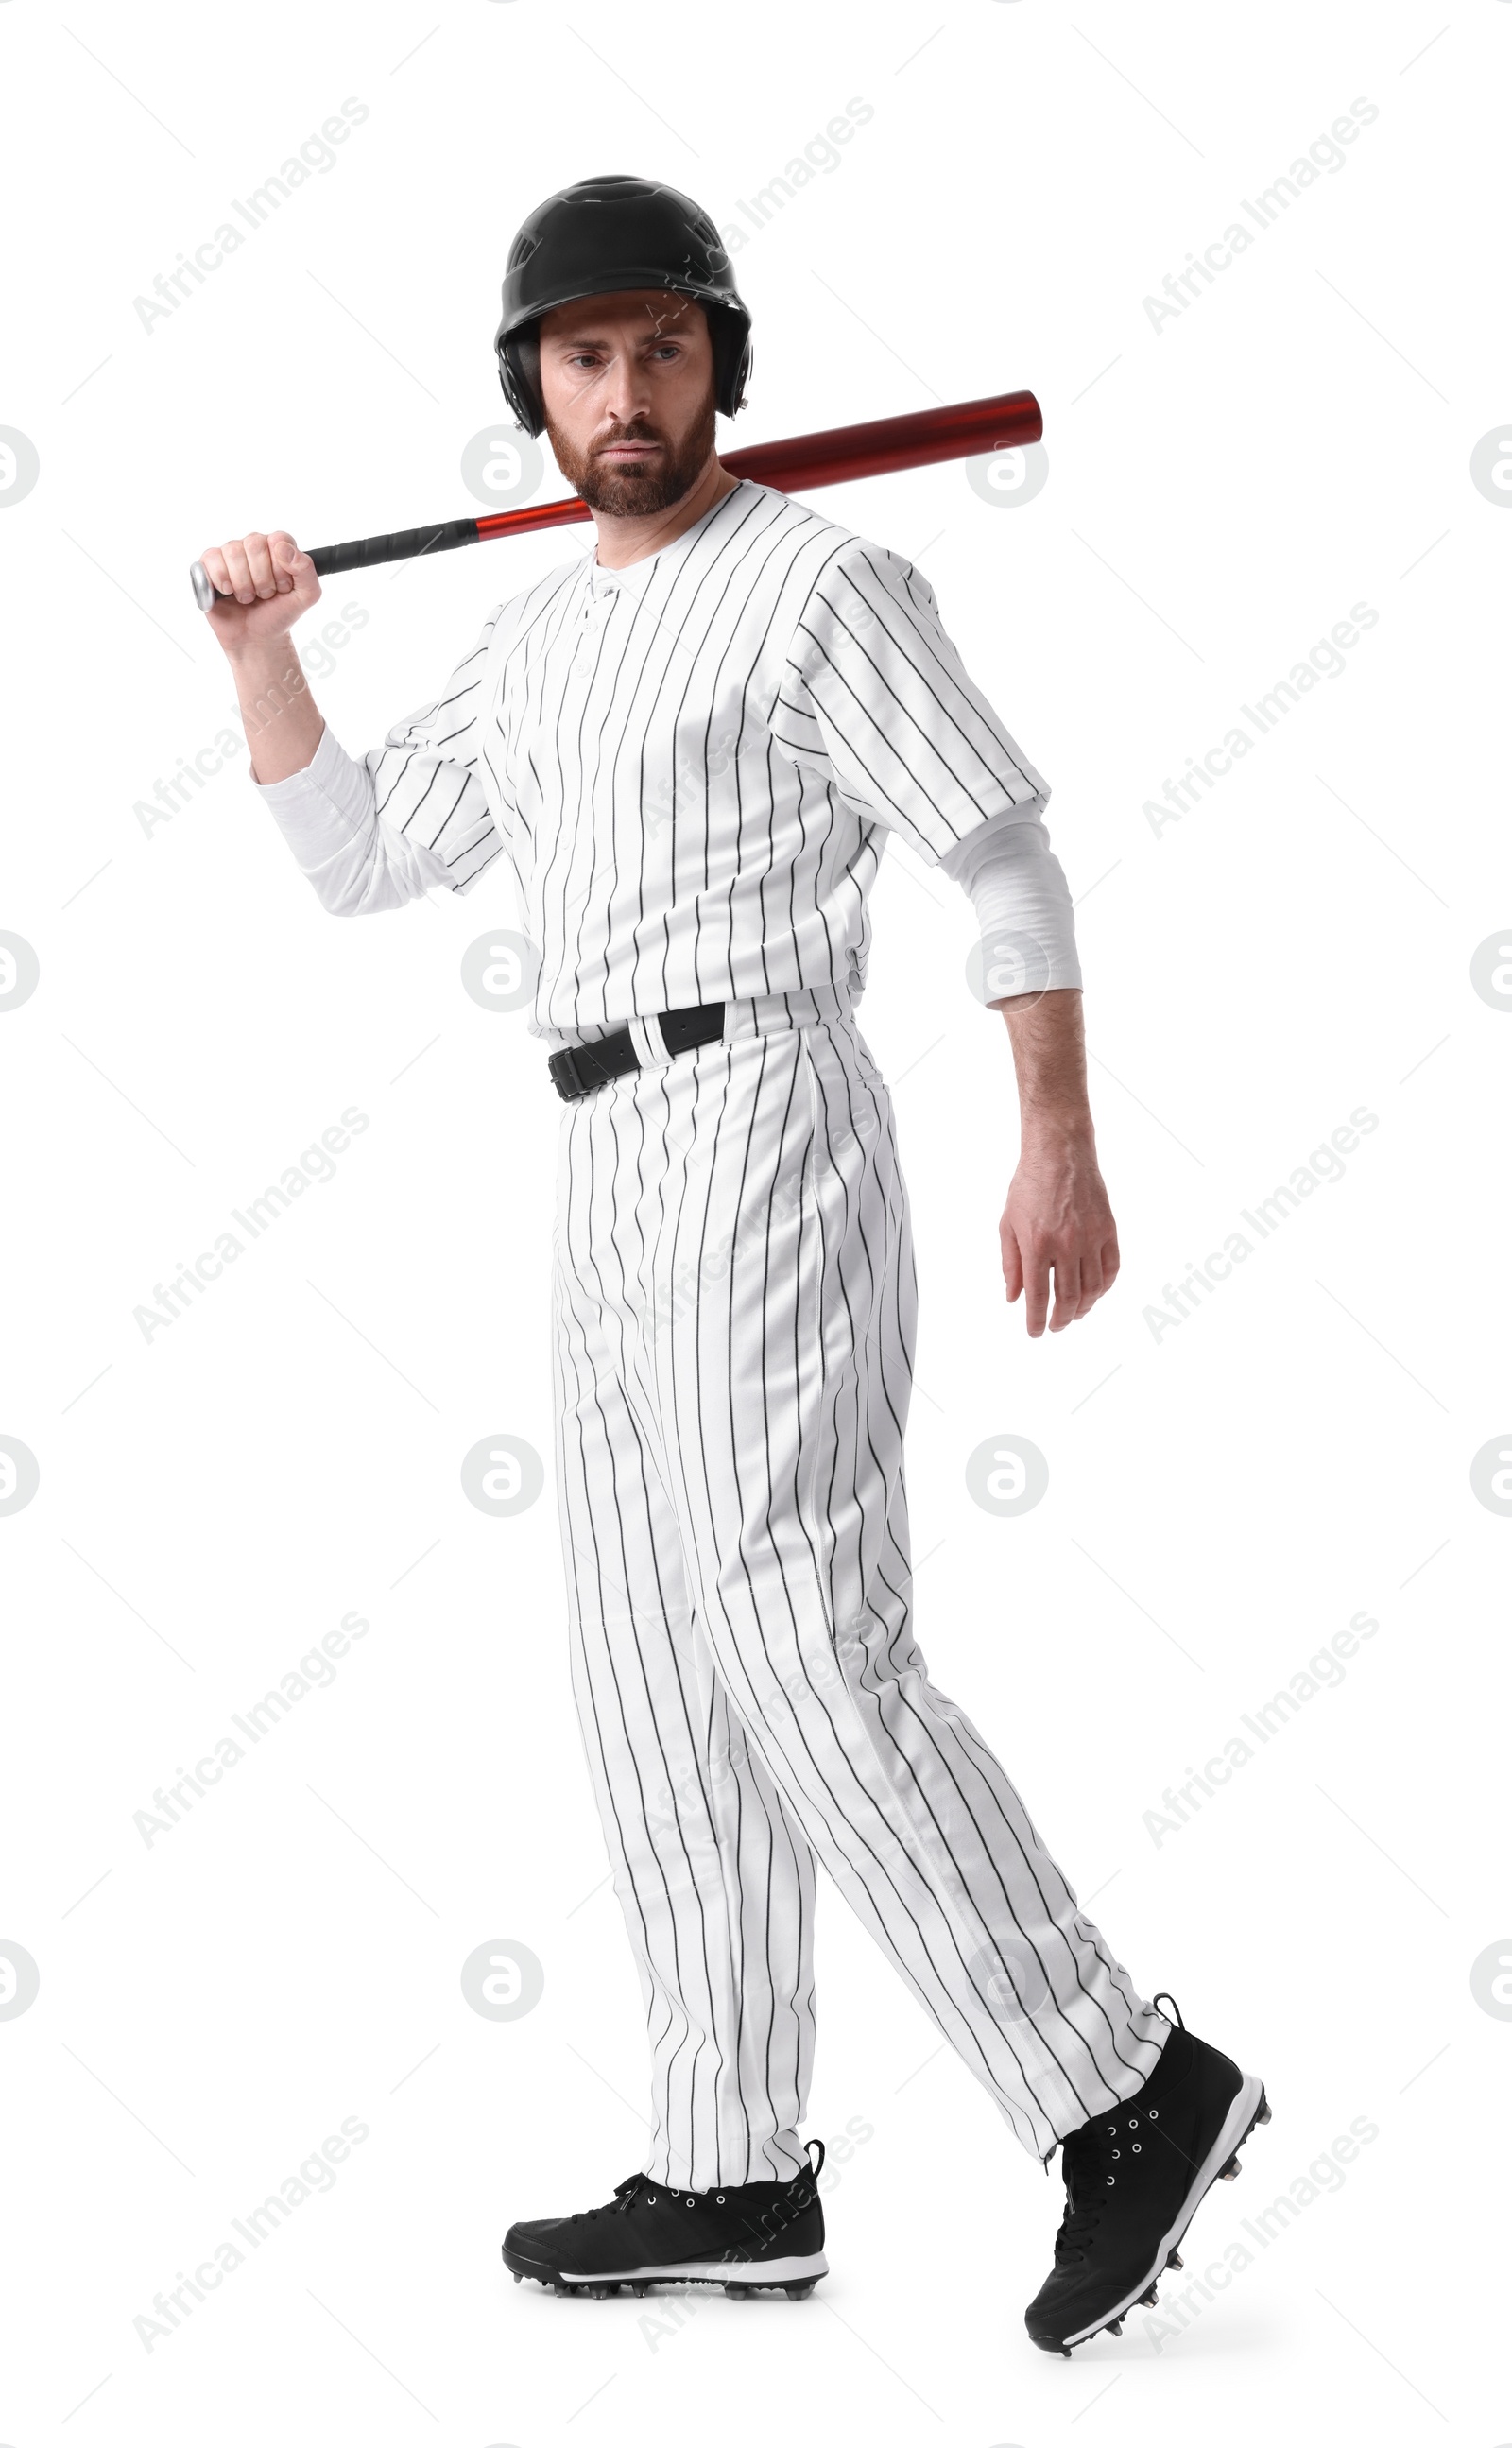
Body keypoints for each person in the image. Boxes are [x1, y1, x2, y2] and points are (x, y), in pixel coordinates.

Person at [198, 174, 1267, 2355]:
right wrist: (265, 657)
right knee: (651, 1672)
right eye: (582, 356)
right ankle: (728, 2156)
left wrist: (1052, 1137)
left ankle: (1119, 2079)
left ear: (717, 365)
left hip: (765, 1110)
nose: (624, 389)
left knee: (796, 1635)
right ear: (533, 391)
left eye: (661, 348)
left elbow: (997, 849)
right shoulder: (537, 633)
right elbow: (365, 860)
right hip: (593, 1147)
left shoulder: (812, 583)